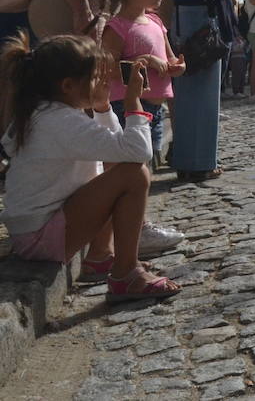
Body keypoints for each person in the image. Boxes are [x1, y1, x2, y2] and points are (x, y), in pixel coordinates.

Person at [0, 33, 180, 301]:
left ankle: (101, 255)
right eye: (95, 78)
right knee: (133, 175)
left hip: (36, 231)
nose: (101, 82)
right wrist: (132, 103)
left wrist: (104, 107)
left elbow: (117, 151)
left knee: (113, 166)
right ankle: (126, 275)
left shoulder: (47, 113)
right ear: (68, 86)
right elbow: (137, 152)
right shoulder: (59, 122)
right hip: (40, 237)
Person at [94, 0, 187, 256]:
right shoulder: (118, 27)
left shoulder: (155, 21)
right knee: (134, 168)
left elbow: (169, 57)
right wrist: (145, 62)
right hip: (128, 108)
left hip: (154, 109)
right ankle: (136, 230)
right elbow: (108, 69)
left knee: (144, 167)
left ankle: (137, 226)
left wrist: (175, 65)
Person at [158, 0, 230, 181]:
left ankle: (189, 159)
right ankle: (201, 162)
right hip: (198, 17)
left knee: (187, 95)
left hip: (182, 16)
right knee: (203, 95)